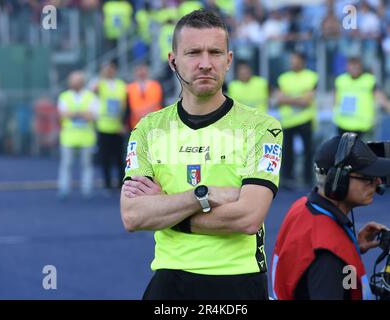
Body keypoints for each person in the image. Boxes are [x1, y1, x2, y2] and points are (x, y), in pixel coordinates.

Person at [120, 9, 283, 300]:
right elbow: (133, 215)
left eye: (215, 53)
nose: (205, 63)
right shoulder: (148, 129)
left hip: (237, 279)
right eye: (194, 52)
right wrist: (202, 195)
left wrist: (166, 209)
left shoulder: (262, 128)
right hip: (169, 278)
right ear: (173, 61)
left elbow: (248, 217)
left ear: (229, 60)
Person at [271, 132, 390, 300]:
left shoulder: (301, 207)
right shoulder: (329, 256)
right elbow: (325, 264)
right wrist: (339, 253)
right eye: (368, 178)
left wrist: (351, 247)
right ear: (339, 181)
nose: (378, 183)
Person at [275, 52, 318, 188]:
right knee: (287, 152)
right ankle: (287, 179)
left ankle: (307, 179)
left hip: (305, 119)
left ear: (303, 61)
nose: (293, 62)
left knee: (308, 151)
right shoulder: (283, 78)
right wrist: (298, 99)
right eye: (292, 59)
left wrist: (288, 99)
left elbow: (307, 101)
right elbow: (279, 99)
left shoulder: (311, 76)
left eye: (296, 59)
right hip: (288, 121)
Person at [333, 57, 390, 141]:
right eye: (352, 65)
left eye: (356, 66)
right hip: (343, 125)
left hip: (364, 127)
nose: (354, 68)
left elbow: (380, 97)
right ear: (347, 67)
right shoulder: (340, 80)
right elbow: (335, 100)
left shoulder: (369, 80)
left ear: (361, 67)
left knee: (363, 153)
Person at [57, 71, 98, 199]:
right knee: (66, 164)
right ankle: (64, 189)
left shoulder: (91, 96)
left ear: (81, 82)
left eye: (76, 80)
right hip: (68, 137)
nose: (73, 83)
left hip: (86, 138)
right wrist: (82, 113)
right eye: (72, 80)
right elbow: (63, 114)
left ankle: (87, 190)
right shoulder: (64, 96)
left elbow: (93, 115)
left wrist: (73, 113)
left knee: (87, 165)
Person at [93, 61, 127, 192]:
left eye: (111, 69)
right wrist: (102, 75)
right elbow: (94, 90)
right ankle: (107, 184)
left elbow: (125, 104)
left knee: (119, 157)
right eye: (106, 69)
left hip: (118, 126)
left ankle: (120, 183)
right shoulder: (99, 83)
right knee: (105, 157)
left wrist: (123, 123)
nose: (109, 71)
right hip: (104, 126)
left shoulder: (121, 85)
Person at [126, 63, 163, 130]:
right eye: (138, 70)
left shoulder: (156, 85)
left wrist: (143, 114)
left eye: (143, 69)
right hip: (136, 125)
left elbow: (157, 103)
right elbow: (128, 107)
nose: (141, 72)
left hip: (154, 124)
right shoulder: (129, 88)